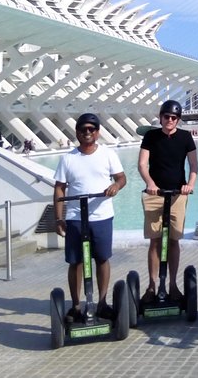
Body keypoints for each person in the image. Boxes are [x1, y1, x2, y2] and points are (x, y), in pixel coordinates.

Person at [53, 113, 127, 322]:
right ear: (77, 132)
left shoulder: (108, 154)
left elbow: (122, 178)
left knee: (102, 258)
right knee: (75, 261)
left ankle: (102, 303)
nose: (87, 133)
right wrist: (59, 218)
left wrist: (115, 186)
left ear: (97, 132)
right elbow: (59, 188)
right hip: (76, 217)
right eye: (83, 129)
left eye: (91, 129)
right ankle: (77, 305)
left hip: (101, 216)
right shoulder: (68, 158)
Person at [138, 99, 198, 302]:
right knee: (155, 241)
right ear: (160, 117)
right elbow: (142, 164)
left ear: (178, 119)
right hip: (154, 195)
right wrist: (150, 183)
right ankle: (152, 286)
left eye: (173, 118)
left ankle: (172, 285)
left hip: (177, 195)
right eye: (166, 117)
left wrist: (189, 184)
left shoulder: (185, 137)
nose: (169, 120)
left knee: (173, 241)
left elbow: (194, 166)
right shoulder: (150, 136)